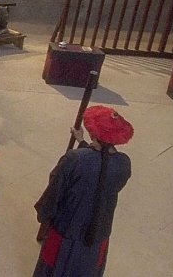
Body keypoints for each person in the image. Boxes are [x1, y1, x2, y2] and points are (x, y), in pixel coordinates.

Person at [34, 106, 133, 277]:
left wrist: (44, 215)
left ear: (93, 134)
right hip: (97, 235)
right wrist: (82, 143)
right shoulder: (124, 164)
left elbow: (55, 190)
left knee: (53, 270)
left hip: (65, 231)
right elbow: (101, 169)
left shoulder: (74, 159)